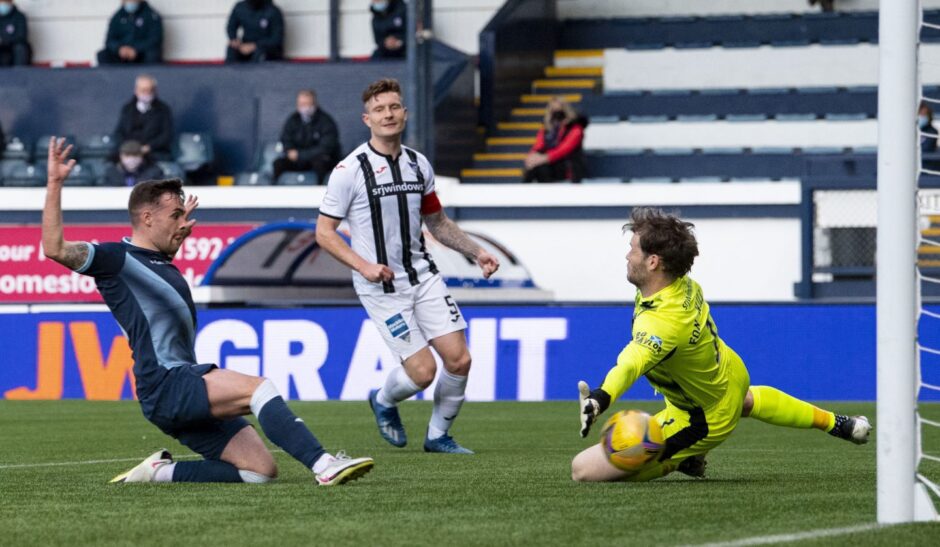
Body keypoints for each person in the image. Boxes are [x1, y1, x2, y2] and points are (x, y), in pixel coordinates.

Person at [42, 137, 373, 485]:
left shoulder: (157, 261)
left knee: (258, 472)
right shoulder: (115, 259)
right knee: (260, 389)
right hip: (167, 382)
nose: (182, 222)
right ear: (147, 217)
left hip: (173, 389)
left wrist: (174, 238)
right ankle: (323, 465)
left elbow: (157, 290)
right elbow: (54, 248)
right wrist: (54, 183)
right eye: (174, 215)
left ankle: (159, 473)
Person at [571, 207, 871, 482]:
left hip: (701, 417)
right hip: (729, 372)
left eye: (632, 250)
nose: (627, 256)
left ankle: (685, 459)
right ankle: (839, 424)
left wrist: (600, 398)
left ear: (653, 262)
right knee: (745, 400)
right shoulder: (682, 283)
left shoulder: (663, 323)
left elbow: (631, 363)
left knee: (586, 470)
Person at [316, 78, 500, 454]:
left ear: (405, 113)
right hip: (381, 288)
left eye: (394, 107)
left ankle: (437, 437)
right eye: (380, 109)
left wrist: (476, 252)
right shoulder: (349, 171)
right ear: (367, 119)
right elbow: (324, 233)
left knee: (459, 360)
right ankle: (383, 400)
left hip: (424, 276)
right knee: (423, 372)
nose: (388, 114)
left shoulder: (419, 164)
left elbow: (438, 223)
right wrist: (364, 265)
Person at [273, 89, 341, 184]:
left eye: (307, 104)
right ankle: (275, 191)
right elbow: (285, 139)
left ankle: (320, 191)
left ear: (314, 104)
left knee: (320, 163)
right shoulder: (293, 120)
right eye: (301, 104)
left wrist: (300, 155)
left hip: (318, 160)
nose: (304, 107)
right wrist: (289, 151)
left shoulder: (326, 121)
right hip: (298, 161)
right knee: (278, 163)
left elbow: (326, 148)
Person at [523, 97, 588, 183]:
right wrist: (532, 157)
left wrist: (545, 158)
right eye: (553, 110)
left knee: (541, 167)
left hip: (568, 164)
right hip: (550, 163)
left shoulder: (575, 128)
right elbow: (539, 145)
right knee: (534, 168)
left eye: (559, 110)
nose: (556, 115)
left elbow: (564, 149)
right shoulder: (547, 128)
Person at [114, 74, 174, 162]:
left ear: (155, 91)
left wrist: (148, 148)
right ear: (136, 90)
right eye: (143, 90)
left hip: (154, 153)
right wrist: (127, 148)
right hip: (129, 152)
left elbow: (166, 135)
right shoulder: (127, 108)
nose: (147, 93)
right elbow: (119, 132)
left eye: (150, 90)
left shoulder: (163, 109)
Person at [97, 1, 163, 65]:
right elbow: (109, 40)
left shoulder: (152, 16)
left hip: (141, 54)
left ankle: (146, 76)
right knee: (103, 55)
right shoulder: (117, 16)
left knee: (153, 54)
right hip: (122, 55)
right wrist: (119, 49)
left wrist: (136, 49)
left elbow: (155, 40)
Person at [0, 0, 31, 67]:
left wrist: (4, 40)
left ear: (10, 2)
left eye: (4, 2)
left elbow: (21, 36)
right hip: (2, 50)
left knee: (20, 48)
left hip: (14, 48)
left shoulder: (19, 16)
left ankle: (20, 73)